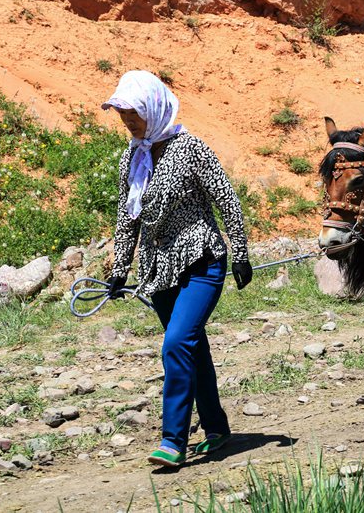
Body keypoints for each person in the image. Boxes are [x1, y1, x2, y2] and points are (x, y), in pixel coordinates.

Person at [101, 70, 253, 468]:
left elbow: (227, 200)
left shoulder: (191, 149)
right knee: (191, 347)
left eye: (133, 115)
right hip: (158, 272)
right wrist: (120, 267)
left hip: (202, 262)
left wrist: (240, 251)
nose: (128, 124)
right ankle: (217, 430)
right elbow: (126, 217)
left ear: (153, 108)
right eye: (123, 116)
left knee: (176, 343)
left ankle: (173, 440)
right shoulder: (132, 155)